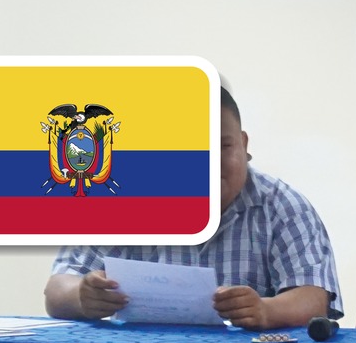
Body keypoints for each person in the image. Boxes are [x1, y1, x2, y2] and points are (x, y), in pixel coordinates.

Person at [44, 87, 340, 330]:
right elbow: (57, 288)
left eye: (223, 147)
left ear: (243, 144)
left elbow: (313, 298)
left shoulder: (282, 207)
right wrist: (82, 296)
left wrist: (266, 310)